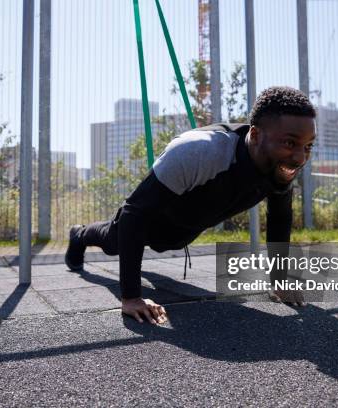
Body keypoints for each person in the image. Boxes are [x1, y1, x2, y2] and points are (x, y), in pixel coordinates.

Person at [65, 86, 316, 324]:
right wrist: (131, 297)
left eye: (308, 146)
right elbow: (135, 212)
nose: (300, 157)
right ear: (255, 134)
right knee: (115, 240)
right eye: (290, 143)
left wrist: (280, 282)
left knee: (170, 241)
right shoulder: (199, 151)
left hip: (185, 228)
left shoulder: (281, 167)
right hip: (152, 216)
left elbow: (280, 219)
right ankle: (79, 234)